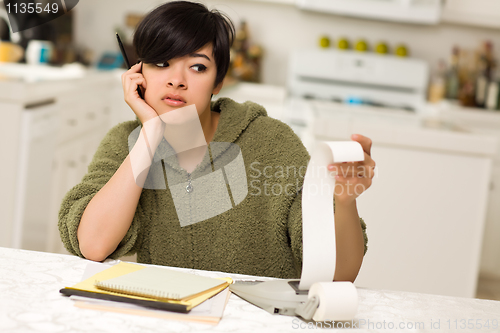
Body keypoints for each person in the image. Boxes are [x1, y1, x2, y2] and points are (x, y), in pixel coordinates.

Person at [59, 1, 375, 282]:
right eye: (161, 63)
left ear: (219, 81)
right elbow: (93, 246)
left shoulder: (272, 142)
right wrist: (150, 134)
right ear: (138, 72)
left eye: (198, 67)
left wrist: (345, 202)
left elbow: (338, 273)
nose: (176, 80)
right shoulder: (125, 142)